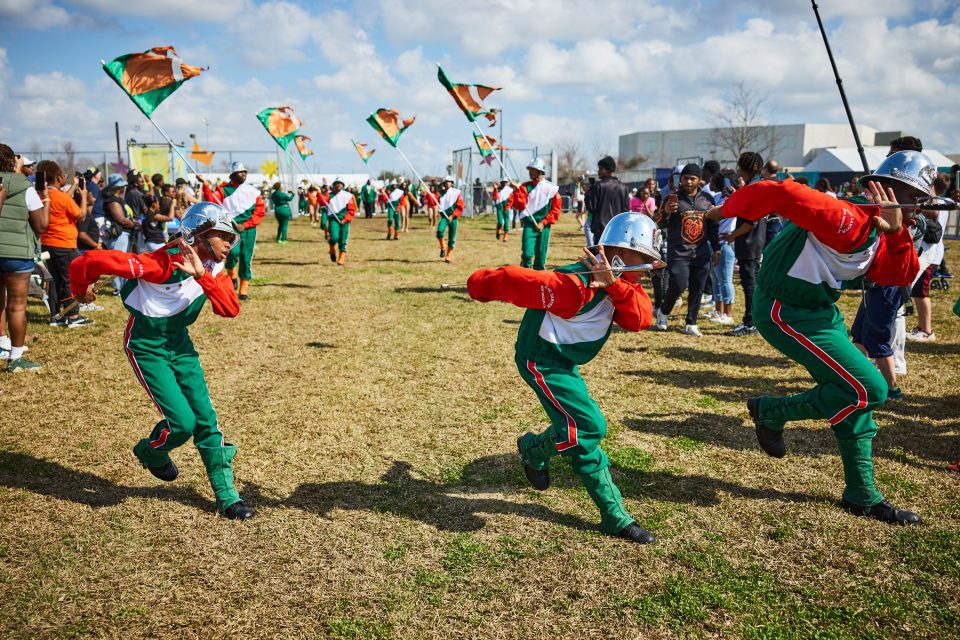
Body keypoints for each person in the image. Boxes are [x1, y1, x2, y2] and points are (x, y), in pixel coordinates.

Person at [704, 150, 932, 525]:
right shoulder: (845, 217)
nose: (920, 209)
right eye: (915, 198)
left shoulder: (888, 226)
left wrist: (896, 232)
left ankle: (861, 494)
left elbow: (898, 274)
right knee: (869, 388)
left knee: (852, 393)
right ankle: (771, 412)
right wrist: (721, 211)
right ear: (887, 190)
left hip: (820, 310)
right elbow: (779, 192)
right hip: (784, 308)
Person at [467, 212, 660, 544]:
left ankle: (538, 453)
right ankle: (611, 513)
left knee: (578, 430)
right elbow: (519, 280)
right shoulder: (574, 287)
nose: (646, 269)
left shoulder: (623, 286)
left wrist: (614, 285)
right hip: (541, 361)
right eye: (643, 259)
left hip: (564, 363)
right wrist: (479, 284)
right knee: (587, 428)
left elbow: (640, 319)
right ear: (617, 255)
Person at [69, 202, 255, 520]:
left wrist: (202, 277)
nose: (229, 243)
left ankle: (227, 496)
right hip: (146, 346)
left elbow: (230, 309)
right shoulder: (160, 264)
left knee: (206, 419)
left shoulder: (213, 267)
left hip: (180, 345)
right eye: (224, 235)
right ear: (199, 234)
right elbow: (89, 260)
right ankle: (150, 451)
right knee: (183, 423)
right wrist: (81, 291)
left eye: (232, 237)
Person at [653, 163, 719, 337]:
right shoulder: (672, 199)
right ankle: (664, 312)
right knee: (679, 284)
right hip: (679, 251)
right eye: (685, 178)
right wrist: (666, 211)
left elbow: (713, 227)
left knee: (698, 288)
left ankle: (691, 322)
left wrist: (717, 248)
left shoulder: (707, 200)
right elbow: (659, 223)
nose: (689, 182)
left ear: (699, 180)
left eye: (692, 178)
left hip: (701, 251)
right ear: (680, 179)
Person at [0, 145, 49, 372]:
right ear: (12, 162)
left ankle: (1, 342)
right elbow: (41, 225)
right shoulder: (24, 187)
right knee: (17, 306)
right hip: (17, 253)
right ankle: (16, 357)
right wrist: (45, 202)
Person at [36, 160, 92, 328]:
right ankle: (73, 315)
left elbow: (62, 200)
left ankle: (56, 316)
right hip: (65, 244)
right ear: (59, 177)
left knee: (54, 280)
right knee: (70, 279)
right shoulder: (61, 197)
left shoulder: (42, 195)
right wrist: (83, 197)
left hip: (47, 244)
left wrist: (73, 187)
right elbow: (81, 215)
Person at [201, 162, 265, 301]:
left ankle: (244, 289)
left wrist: (247, 224)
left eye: (244, 172)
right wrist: (206, 186)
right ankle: (231, 273)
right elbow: (212, 200)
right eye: (240, 172)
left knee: (246, 257)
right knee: (231, 253)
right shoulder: (223, 190)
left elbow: (260, 211)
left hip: (249, 230)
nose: (243, 174)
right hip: (229, 229)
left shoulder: (253, 192)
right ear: (233, 174)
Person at [724, 153, 768, 337]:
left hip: (748, 243)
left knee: (750, 284)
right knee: (755, 283)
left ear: (742, 168)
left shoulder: (752, 188)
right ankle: (756, 321)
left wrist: (732, 236)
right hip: (758, 242)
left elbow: (750, 222)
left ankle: (750, 323)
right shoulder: (761, 186)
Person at [906, 172, 950, 342]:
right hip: (928, 252)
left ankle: (926, 330)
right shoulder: (941, 201)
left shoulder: (936, 203)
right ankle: (922, 328)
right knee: (918, 292)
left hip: (929, 253)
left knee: (921, 293)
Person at [511, 158, 561, 271]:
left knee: (540, 257)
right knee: (527, 254)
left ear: (540, 171)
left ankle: (538, 282)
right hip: (529, 225)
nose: (529, 172)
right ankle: (525, 276)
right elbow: (520, 205)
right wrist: (517, 191)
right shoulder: (525, 187)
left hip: (544, 227)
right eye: (529, 169)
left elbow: (556, 209)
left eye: (532, 170)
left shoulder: (552, 188)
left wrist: (543, 223)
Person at [586, 156, 630, 243]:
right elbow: (626, 212)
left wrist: (588, 193)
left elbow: (591, 207)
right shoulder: (624, 187)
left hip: (601, 232)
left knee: (600, 255)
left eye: (600, 168)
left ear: (608, 170)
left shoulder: (598, 186)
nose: (598, 171)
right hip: (617, 230)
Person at [325, 177, 357, 266]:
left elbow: (352, 210)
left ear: (343, 185)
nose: (338, 184)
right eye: (337, 183)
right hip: (333, 219)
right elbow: (322, 202)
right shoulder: (329, 195)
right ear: (334, 185)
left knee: (343, 239)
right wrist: (320, 193)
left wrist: (345, 219)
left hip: (345, 220)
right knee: (334, 237)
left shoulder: (349, 195)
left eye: (340, 183)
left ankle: (341, 257)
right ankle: (332, 248)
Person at [436, 176, 464, 263]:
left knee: (451, 238)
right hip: (444, 217)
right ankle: (443, 247)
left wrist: (452, 216)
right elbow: (435, 200)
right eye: (446, 182)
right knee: (440, 231)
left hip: (453, 218)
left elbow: (460, 206)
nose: (447, 183)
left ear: (452, 183)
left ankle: (448, 256)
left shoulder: (457, 193)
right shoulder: (440, 193)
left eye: (449, 181)